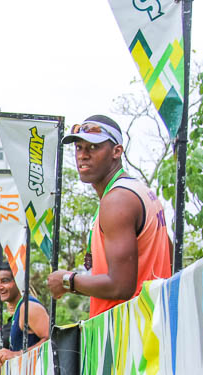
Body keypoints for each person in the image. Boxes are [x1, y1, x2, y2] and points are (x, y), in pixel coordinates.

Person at [47, 115, 171, 318]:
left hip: (131, 333)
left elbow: (120, 286)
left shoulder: (117, 200)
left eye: (93, 147)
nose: (83, 155)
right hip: (153, 322)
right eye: (79, 147)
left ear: (117, 151)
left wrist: (67, 280)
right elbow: (169, 254)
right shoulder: (140, 191)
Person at [0, 263, 50, 366]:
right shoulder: (19, 308)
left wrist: (16, 354)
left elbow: (50, 341)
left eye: (4, 281)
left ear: (18, 281)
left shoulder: (29, 306)